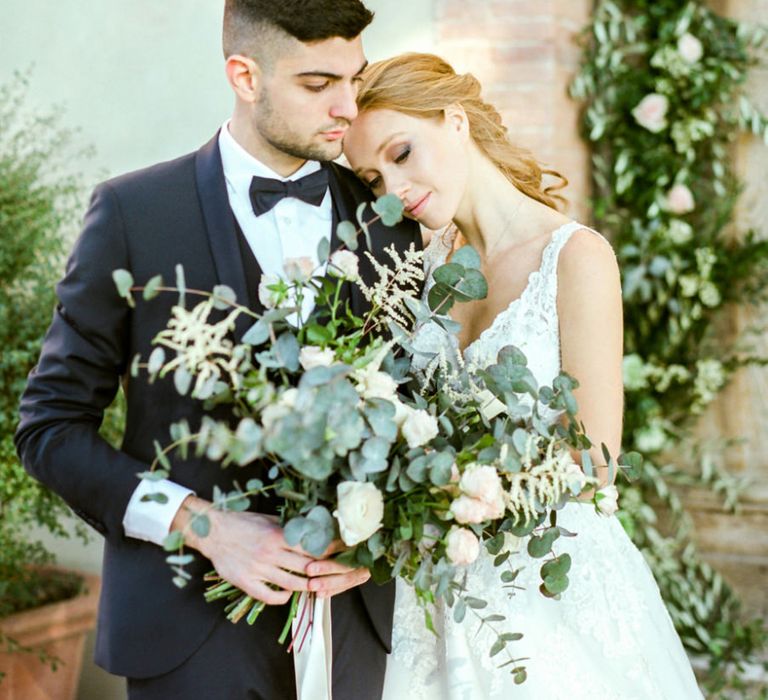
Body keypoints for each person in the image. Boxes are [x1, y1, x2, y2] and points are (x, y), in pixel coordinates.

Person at [14, 3, 420, 699]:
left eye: (354, 79)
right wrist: (201, 525)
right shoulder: (134, 215)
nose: (348, 107)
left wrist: (382, 534)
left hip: (362, 629)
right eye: (318, 84)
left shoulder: (394, 220)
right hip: (189, 636)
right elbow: (50, 429)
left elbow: (424, 413)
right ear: (244, 76)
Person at [343, 53, 704, 700]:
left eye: (403, 153)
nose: (391, 190)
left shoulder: (575, 257)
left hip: (548, 585)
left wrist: (473, 493)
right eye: (372, 177)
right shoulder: (418, 280)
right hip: (438, 588)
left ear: (455, 120)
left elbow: (595, 457)